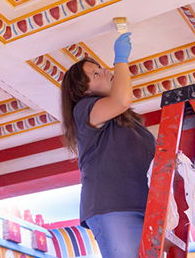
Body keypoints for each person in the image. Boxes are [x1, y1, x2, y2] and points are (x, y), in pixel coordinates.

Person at [59, 32, 155, 258]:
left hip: (145, 204)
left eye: (100, 67)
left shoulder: (130, 124)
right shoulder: (83, 109)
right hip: (113, 206)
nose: (105, 71)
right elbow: (121, 100)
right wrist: (120, 59)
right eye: (95, 73)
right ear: (84, 91)